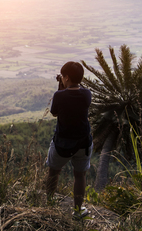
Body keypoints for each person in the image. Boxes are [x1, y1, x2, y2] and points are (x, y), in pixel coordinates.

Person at [45, 61, 92, 219]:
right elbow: (79, 92)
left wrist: (61, 88)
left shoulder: (59, 95)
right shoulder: (87, 94)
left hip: (62, 144)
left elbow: (54, 112)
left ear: (66, 77)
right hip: (83, 143)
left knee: (53, 172)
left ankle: (50, 203)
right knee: (80, 175)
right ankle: (78, 210)